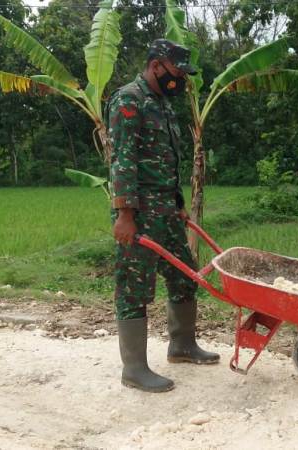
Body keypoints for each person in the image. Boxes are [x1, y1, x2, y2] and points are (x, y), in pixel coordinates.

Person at [109, 39, 219, 393]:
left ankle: (182, 345)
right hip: (138, 211)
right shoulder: (130, 99)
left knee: (184, 276)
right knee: (134, 286)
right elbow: (123, 159)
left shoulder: (163, 104)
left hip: (165, 209)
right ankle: (135, 368)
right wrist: (125, 214)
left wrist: (177, 201)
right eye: (177, 72)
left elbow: (165, 160)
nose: (181, 80)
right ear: (157, 66)